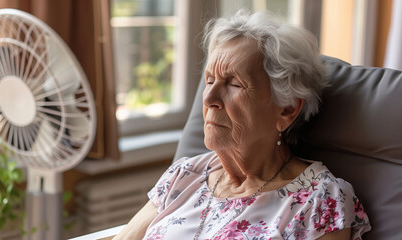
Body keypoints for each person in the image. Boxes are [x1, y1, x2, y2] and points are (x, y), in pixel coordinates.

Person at [114, 10, 371, 240]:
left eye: (235, 84)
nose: (208, 98)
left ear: (287, 109)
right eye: (210, 80)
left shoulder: (319, 201)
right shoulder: (183, 175)